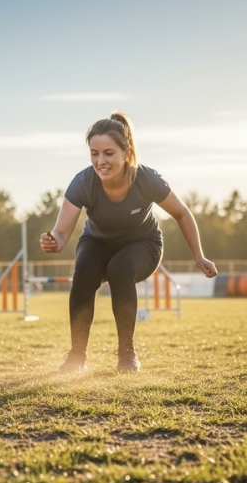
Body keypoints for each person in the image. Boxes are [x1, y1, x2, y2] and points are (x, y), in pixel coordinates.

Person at [40, 112, 218, 373]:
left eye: (108, 153)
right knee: (84, 274)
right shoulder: (82, 182)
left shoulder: (147, 180)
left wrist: (199, 256)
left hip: (143, 244)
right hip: (98, 241)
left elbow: (181, 213)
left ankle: (127, 353)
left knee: (120, 269)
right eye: (94, 153)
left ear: (127, 153)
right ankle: (77, 356)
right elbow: (61, 233)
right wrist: (53, 242)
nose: (100, 161)